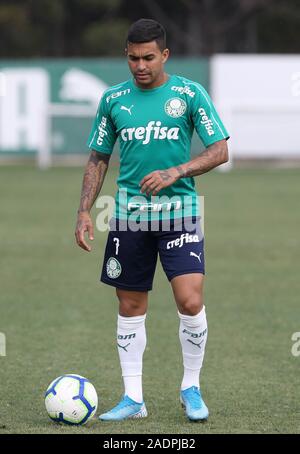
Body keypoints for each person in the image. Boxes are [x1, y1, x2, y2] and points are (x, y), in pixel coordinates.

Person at [75, 18, 229, 422]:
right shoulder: (113, 100)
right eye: (132, 58)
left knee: (190, 300)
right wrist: (83, 211)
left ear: (164, 55)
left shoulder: (189, 94)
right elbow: (98, 157)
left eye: (147, 58)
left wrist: (177, 171)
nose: (140, 66)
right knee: (129, 304)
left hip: (180, 214)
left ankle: (191, 388)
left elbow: (219, 150)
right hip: (129, 218)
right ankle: (133, 399)